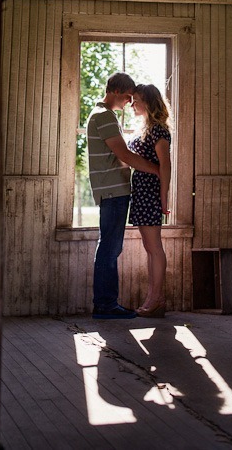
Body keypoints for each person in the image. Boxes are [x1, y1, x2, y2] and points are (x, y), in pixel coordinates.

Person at [87, 72, 160, 319]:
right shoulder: (105, 116)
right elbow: (124, 155)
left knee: (108, 247)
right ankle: (106, 306)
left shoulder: (102, 115)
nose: (130, 102)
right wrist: (156, 170)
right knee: (109, 248)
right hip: (113, 191)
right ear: (116, 92)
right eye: (128, 96)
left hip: (111, 190)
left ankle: (105, 304)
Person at [128, 84, 172, 318]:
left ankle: (156, 299)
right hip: (142, 193)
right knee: (150, 248)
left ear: (147, 102)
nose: (132, 104)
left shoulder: (159, 130)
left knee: (154, 248)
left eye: (136, 100)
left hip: (151, 193)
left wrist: (163, 198)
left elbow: (165, 165)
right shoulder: (144, 129)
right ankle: (154, 298)